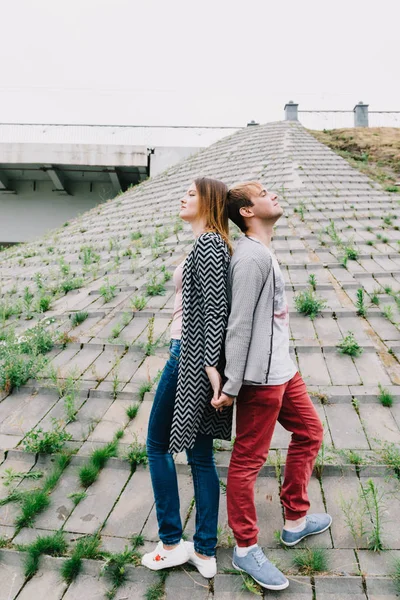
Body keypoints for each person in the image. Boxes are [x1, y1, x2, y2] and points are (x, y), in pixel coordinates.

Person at [212, 181, 332, 591]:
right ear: (247, 211)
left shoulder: (262, 252)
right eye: (263, 193)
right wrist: (232, 385)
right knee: (247, 462)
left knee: (310, 432)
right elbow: (239, 324)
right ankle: (246, 548)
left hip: (283, 371)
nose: (273, 195)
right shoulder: (249, 259)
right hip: (260, 379)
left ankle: (295, 520)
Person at [142, 177, 233, 579]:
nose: (183, 198)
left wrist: (211, 367)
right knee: (199, 456)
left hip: (190, 357)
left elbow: (216, 309)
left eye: (191, 193)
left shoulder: (210, 243)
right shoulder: (206, 242)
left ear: (209, 201)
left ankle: (170, 542)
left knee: (156, 444)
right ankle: (205, 552)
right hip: (195, 355)